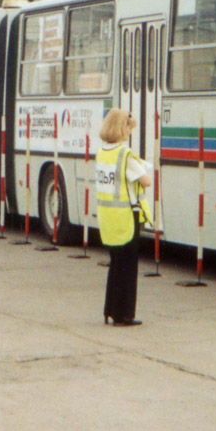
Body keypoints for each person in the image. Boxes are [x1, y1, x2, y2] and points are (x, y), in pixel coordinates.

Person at [95, 109, 153, 327]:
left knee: (115, 265)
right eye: (129, 127)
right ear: (121, 127)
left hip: (108, 218)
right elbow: (146, 181)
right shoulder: (125, 154)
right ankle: (124, 315)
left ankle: (109, 311)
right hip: (127, 218)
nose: (130, 132)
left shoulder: (102, 152)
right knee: (128, 268)